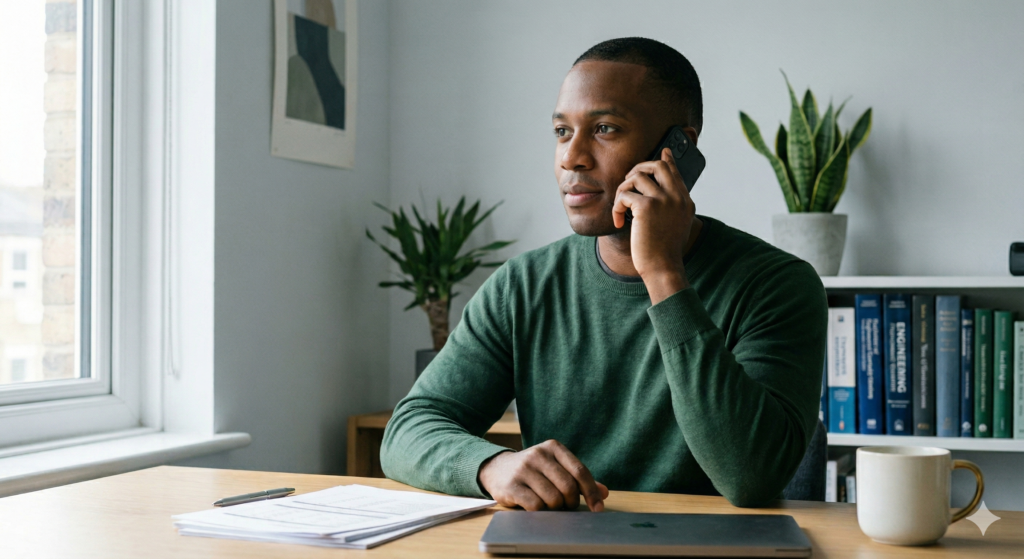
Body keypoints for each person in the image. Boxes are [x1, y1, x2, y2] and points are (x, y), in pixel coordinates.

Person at [380, 37, 827, 511]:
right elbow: (409, 429)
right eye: (560, 132)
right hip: (563, 543)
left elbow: (750, 477)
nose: (572, 157)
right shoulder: (523, 286)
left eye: (605, 128)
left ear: (677, 148)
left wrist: (662, 272)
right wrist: (490, 466)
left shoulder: (778, 285)